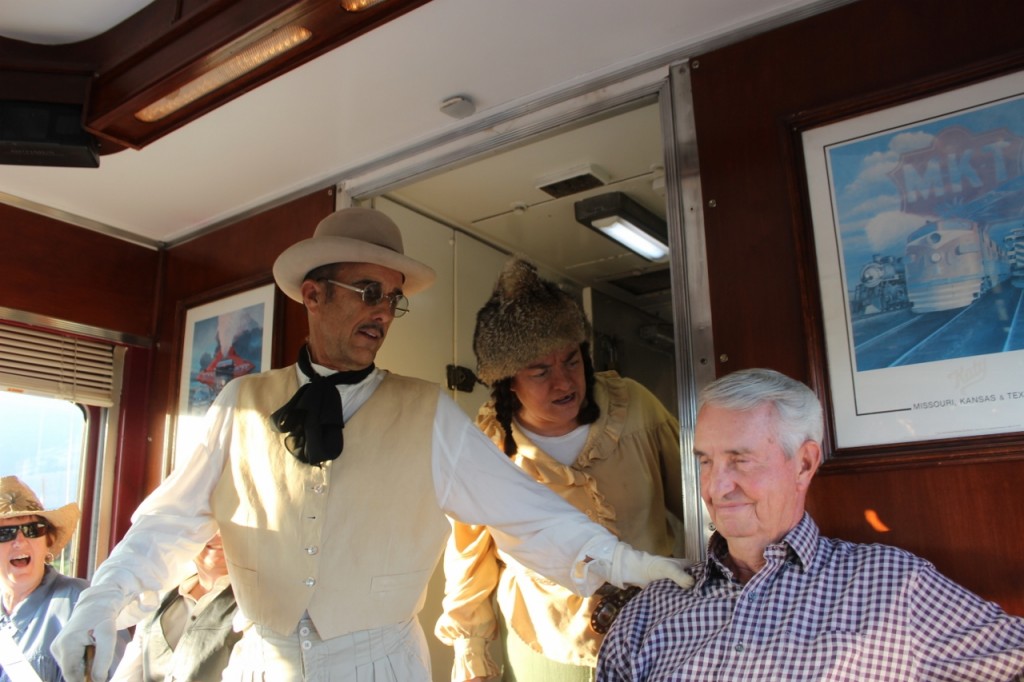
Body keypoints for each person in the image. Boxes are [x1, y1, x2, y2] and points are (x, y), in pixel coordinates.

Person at [51, 207, 693, 682]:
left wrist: (627, 563)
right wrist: (100, 606)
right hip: (260, 664)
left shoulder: (429, 413)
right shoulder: (239, 404)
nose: (384, 311)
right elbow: (167, 526)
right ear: (313, 294)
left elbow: (528, 515)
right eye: (368, 292)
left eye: (392, 298)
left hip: (382, 666)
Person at [596, 367, 1024, 681]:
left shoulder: (892, 586)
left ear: (804, 463)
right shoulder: (653, 609)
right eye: (706, 461)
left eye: (740, 460)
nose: (715, 487)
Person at [435, 258, 686, 681]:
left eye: (571, 361)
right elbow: (468, 555)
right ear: (508, 381)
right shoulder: (489, 444)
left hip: (656, 632)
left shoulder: (635, 408)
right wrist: (472, 652)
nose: (565, 382)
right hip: (546, 646)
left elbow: (701, 501)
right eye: (540, 371)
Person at [0, 476, 126, 682]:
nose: (20, 541)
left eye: (33, 530)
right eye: (5, 533)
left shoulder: (83, 602)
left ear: (48, 540)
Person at [110, 533, 238, 682]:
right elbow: (128, 674)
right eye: (209, 526)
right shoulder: (158, 598)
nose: (218, 534)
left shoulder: (255, 606)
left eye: (227, 526)